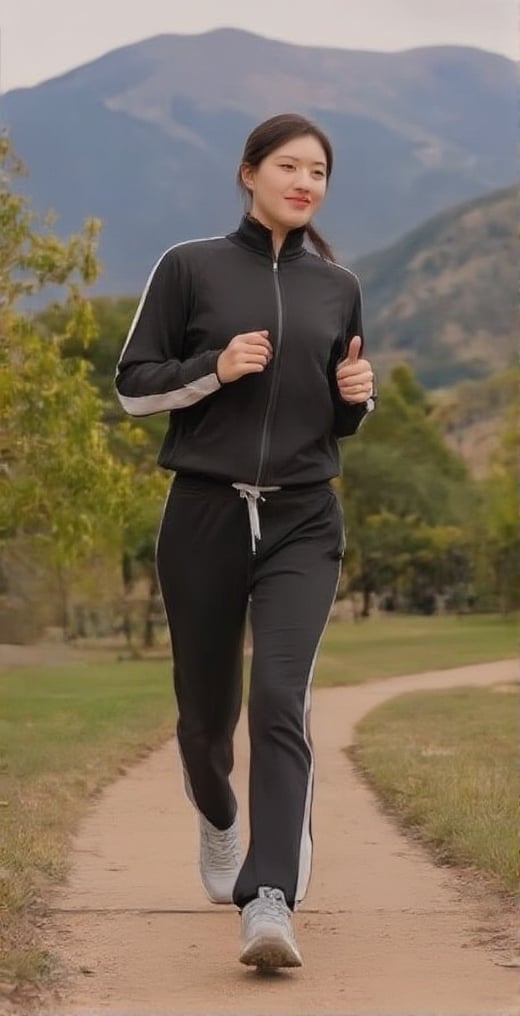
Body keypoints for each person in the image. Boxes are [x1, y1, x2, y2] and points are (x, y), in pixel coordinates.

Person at [115, 112, 376, 970]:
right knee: (203, 719)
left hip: (304, 516)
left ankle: (268, 899)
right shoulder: (190, 268)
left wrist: (356, 397)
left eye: (319, 172)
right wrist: (214, 368)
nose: (306, 183)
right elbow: (133, 387)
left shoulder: (336, 286)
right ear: (249, 172)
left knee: (279, 698)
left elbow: (334, 418)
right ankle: (219, 819)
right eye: (290, 166)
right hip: (204, 514)